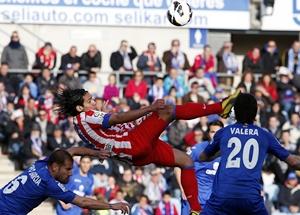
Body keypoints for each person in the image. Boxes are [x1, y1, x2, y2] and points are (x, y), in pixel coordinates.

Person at [55, 88, 241, 215]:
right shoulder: (85, 116)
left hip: (137, 152)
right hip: (134, 143)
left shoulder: (80, 124)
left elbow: (84, 144)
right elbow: (118, 118)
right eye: (89, 101)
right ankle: (220, 108)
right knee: (167, 110)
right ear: (79, 108)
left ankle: (195, 210)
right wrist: (150, 108)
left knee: (186, 162)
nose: (94, 102)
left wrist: (96, 153)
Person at [199, 93, 300, 215]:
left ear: (235, 111)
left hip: (222, 196)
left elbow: (203, 157)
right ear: (255, 112)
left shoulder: (224, 132)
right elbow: (294, 162)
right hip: (250, 199)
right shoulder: (265, 135)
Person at [0, 147, 129, 215]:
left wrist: (96, 153)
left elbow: (73, 150)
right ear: (55, 167)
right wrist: (112, 206)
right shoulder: (49, 183)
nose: (70, 172)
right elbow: (83, 202)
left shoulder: (43, 163)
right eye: (67, 169)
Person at [178, 120, 223, 214]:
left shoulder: (227, 152)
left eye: (218, 132)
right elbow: (178, 166)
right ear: (208, 134)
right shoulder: (198, 149)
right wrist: (182, 188)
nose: (215, 135)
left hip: (212, 203)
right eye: (212, 132)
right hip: (193, 201)